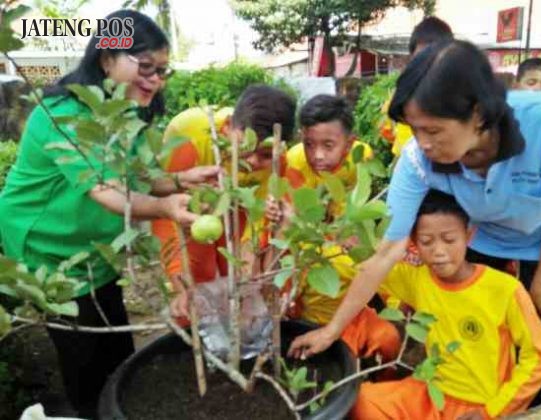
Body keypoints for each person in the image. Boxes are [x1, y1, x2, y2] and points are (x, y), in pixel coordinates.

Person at [288, 40, 541, 404]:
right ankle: (485, 400)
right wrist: (332, 331)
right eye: (415, 129)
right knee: (483, 332)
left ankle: (540, 407)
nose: (422, 143)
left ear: (476, 114)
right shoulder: (417, 160)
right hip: (485, 233)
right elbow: (386, 252)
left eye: (433, 131)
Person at [0, 10, 221, 418]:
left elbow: (138, 176)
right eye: (146, 67)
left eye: (162, 71)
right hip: (48, 248)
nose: (155, 80)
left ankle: (112, 405)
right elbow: (107, 191)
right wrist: (163, 208)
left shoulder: (126, 115)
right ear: (107, 59)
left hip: (91, 247)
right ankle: (91, 410)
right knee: (82, 353)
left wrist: (181, 180)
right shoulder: (63, 116)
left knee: (114, 345)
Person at [350, 190, 541, 419]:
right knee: (362, 402)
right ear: (414, 243)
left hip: (479, 407)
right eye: (427, 242)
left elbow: (540, 358)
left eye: (449, 240)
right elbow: (369, 267)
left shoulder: (505, 290)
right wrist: (343, 242)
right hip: (430, 393)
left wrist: (491, 412)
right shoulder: (418, 280)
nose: (439, 252)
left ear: (469, 236)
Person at [266, 95, 401, 362]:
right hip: (306, 234)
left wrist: (342, 233)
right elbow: (293, 226)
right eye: (309, 144)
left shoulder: (360, 159)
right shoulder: (293, 163)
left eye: (328, 145)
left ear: (349, 143)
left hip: (336, 229)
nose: (318, 155)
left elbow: (351, 206)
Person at [153, 85, 297, 321]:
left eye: (264, 154)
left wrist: (252, 271)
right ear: (229, 126)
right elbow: (167, 215)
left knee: (242, 276)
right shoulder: (189, 140)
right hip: (193, 206)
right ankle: (200, 339)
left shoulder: (277, 161)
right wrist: (179, 277)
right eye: (246, 149)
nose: (252, 161)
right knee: (197, 280)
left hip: (242, 204)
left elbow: (259, 222)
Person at [381, 17, 454, 157]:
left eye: (434, 58)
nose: (426, 65)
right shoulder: (401, 94)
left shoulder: (456, 98)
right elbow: (388, 129)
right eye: (420, 59)